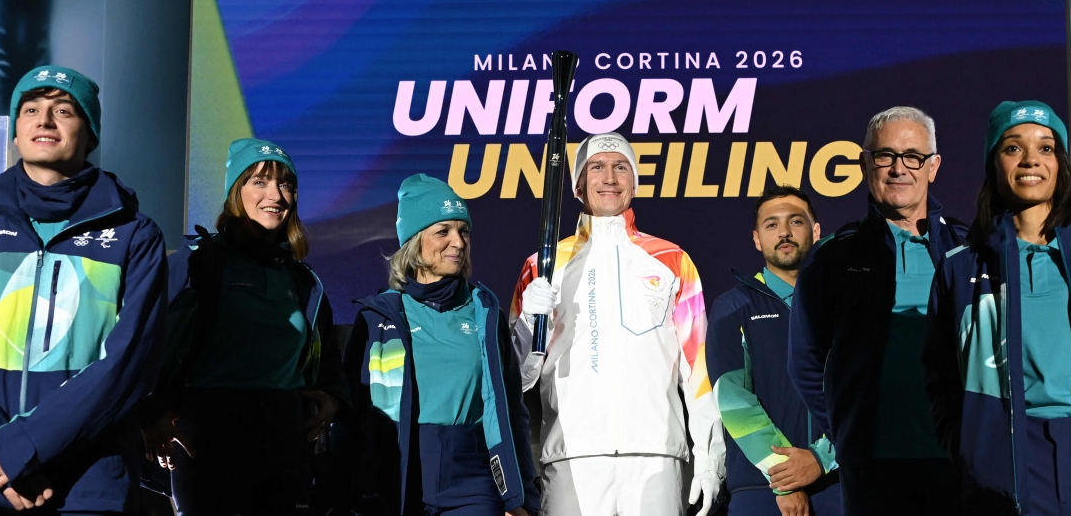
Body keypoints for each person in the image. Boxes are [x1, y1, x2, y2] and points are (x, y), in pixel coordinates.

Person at [923, 101, 1071, 515]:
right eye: (1013, 147)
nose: (1031, 159)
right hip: (1006, 465)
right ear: (993, 164)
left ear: (1061, 163)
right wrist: (972, 454)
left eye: (1046, 148)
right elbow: (942, 382)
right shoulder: (959, 267)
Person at [0, 66, 167, 512]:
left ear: (90, 135)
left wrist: (28, 444)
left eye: (64, 111)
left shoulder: (135, 236)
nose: (45, 120)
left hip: (89, 483)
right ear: (16, 133)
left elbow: (131, 362)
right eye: (31, 110)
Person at [512, 132, 725, 516]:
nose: (610, 178)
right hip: (573, 457)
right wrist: (528, 323)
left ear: (635, 183)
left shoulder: (672, 259)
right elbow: (518, 377)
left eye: (621, 167)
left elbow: (699, 371)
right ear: (578, 185)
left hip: (656, 456)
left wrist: (710, 459)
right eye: (597, 167)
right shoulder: (542, 265)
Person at [140, 138, 349, 515]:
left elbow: (327, 358)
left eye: (285, 185)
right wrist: (152, 414)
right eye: (260, 182)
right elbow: (143, 340)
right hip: (208, 437)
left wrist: (333, 397)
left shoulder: (303, 280)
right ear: (236, 191)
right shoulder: (199, 261)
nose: (276, 196)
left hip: (284, 439)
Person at [789, 106, 964, 516]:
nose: (899, 169)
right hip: (871, 469)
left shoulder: (969, 250)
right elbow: (805, 363)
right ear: (865, 164)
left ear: (933, 166)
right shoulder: (832, 257)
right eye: (885, 156)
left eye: (913, 157)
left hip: (961, 460)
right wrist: (847, 431)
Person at [345, 174, 539, 516]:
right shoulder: (379, 317)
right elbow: (353, 415)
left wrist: (521, 496)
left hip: (474, 478)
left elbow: (512, 411)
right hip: (400, 474)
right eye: (443, 231)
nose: (458, 242)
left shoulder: (485, 311)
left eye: (463, 231)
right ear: (414, 240)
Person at [707, 186, 839, 516]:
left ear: (816, 231)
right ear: (756, 239)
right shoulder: (733, 306)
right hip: (762, 490)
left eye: (796, 221)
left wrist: (823, 457)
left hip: (841, 481)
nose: (784, 232)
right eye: (771, 224)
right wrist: (784, 480)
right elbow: (733, 399)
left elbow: (869, 392)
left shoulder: (850, 303)